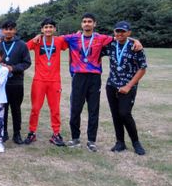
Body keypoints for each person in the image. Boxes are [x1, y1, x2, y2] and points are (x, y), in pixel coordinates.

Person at [63, 13, 116, 151]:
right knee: (75, 109)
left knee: (93, 110)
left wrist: (136, 41)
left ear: (94, 24)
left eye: (90, 21)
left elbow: (120, 37)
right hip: (78, 77)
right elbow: (52, 38)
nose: (87, 24)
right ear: (81, 24)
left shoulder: (101, 38)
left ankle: (92, 140)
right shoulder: (73, 38)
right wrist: (39, 36)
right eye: (85, 21)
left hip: (94, 77)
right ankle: (75, 138)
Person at [102, 21, 147, 155]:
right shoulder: (111, 45)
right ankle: (120, 142)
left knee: (125, 113)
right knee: (115, 114)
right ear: (114, 32)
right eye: (117, 31)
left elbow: (142, 68)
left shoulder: (135, 47)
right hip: (111, 85)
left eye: (123, 31)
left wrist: (128, 86)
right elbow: (95, 43)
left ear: (129, 33)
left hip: (128, 86)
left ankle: (136, 142)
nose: (120, 33)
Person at [25, 18, 68, 146]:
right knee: (35, 108)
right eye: (45, 27)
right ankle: (32, 132)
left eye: (50, 27)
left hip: (54, 81)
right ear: (42, 29)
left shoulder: (59, 41)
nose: (48, 29)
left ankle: (56, 134)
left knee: (55, 109)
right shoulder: (37, 41)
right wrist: (35, 38)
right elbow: (25, 47)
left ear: (54, 29)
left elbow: (70, 44)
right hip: (39, 80)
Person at [0, 20, 31, 144]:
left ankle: (17, 134)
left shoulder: (21, 45)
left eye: (11, 29)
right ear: (2, 31)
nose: (8, 31)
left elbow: (27, 63)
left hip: (16, 82)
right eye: (6, 29)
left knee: (16, 109)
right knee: (2, 108)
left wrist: (13, 68)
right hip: (2, 83)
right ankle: (3, 133)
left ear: (15, 30)